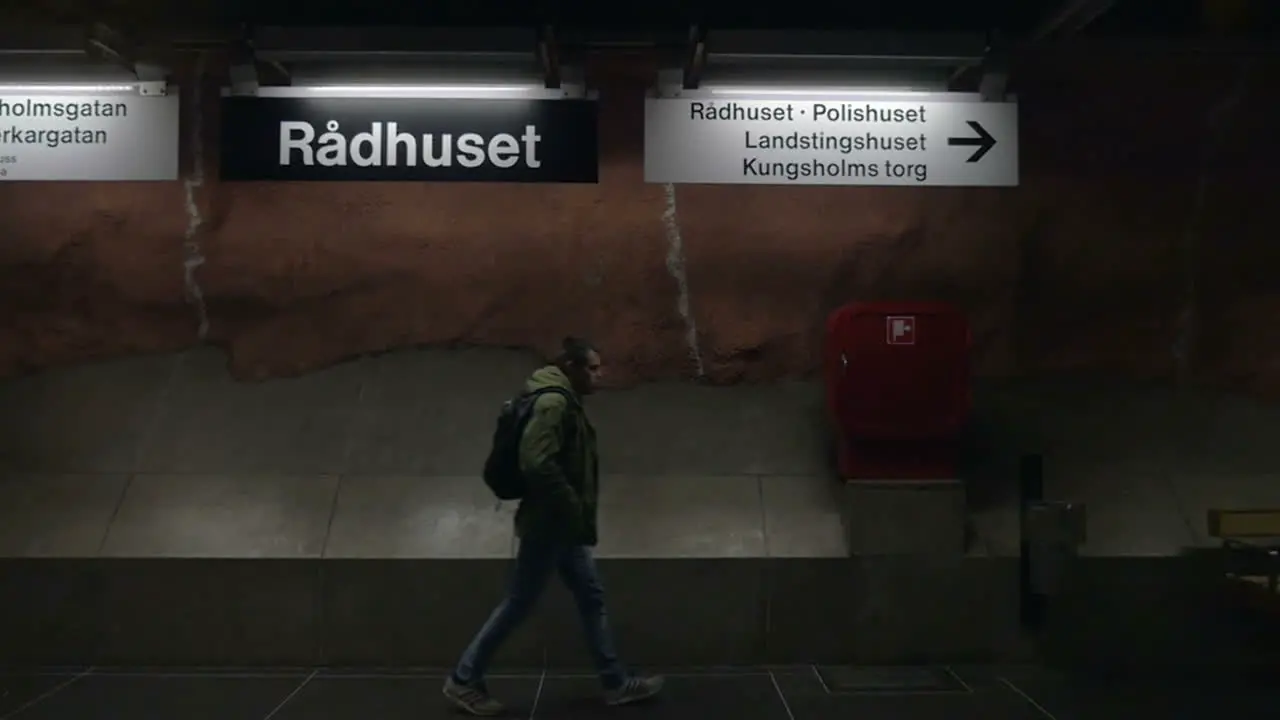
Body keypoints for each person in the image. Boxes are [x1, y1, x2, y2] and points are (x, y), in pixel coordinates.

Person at [443, 337, 664, 716]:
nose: (599, 375)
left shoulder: (562, 400)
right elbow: (536, 462)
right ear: (572, 368)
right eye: (592, 368)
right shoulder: (553, 403)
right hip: (549, 526)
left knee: (589, 596)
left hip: (562, 526)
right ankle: (464, 679)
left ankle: (615, 682)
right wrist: (569, 503)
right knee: (519, 603)